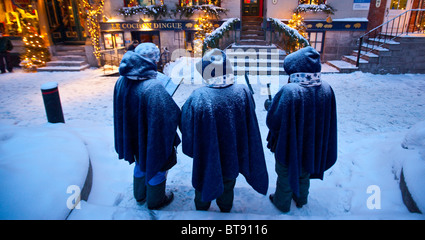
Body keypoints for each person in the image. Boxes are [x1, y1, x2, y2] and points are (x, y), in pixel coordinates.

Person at [180, 48, 269, 212]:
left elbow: (186, 122)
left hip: (206, 152)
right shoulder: (242, 91)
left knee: (203, 177)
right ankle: (225, 207)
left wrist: (192, 146)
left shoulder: (198, 96)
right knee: (228, 179)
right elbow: (250, 113)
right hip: (232, 150)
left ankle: (201, 207)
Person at [266, 46, 337, 213]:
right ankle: (300, 199)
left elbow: (274, 121)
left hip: (288, 145)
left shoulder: (290, 91)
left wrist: (270, 107)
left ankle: (281, 203)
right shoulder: (326, 89)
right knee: (304, 172)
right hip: (313, 145)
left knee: (284, 175)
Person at [113, 42, 181, 210]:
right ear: (152, 61)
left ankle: (140, 194)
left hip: (131, 135)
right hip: (151, 137)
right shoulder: (154, 87)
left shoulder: (122, 80)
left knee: (139, 162)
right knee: (156, 165)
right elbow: (170, 114)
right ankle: (156, 200)